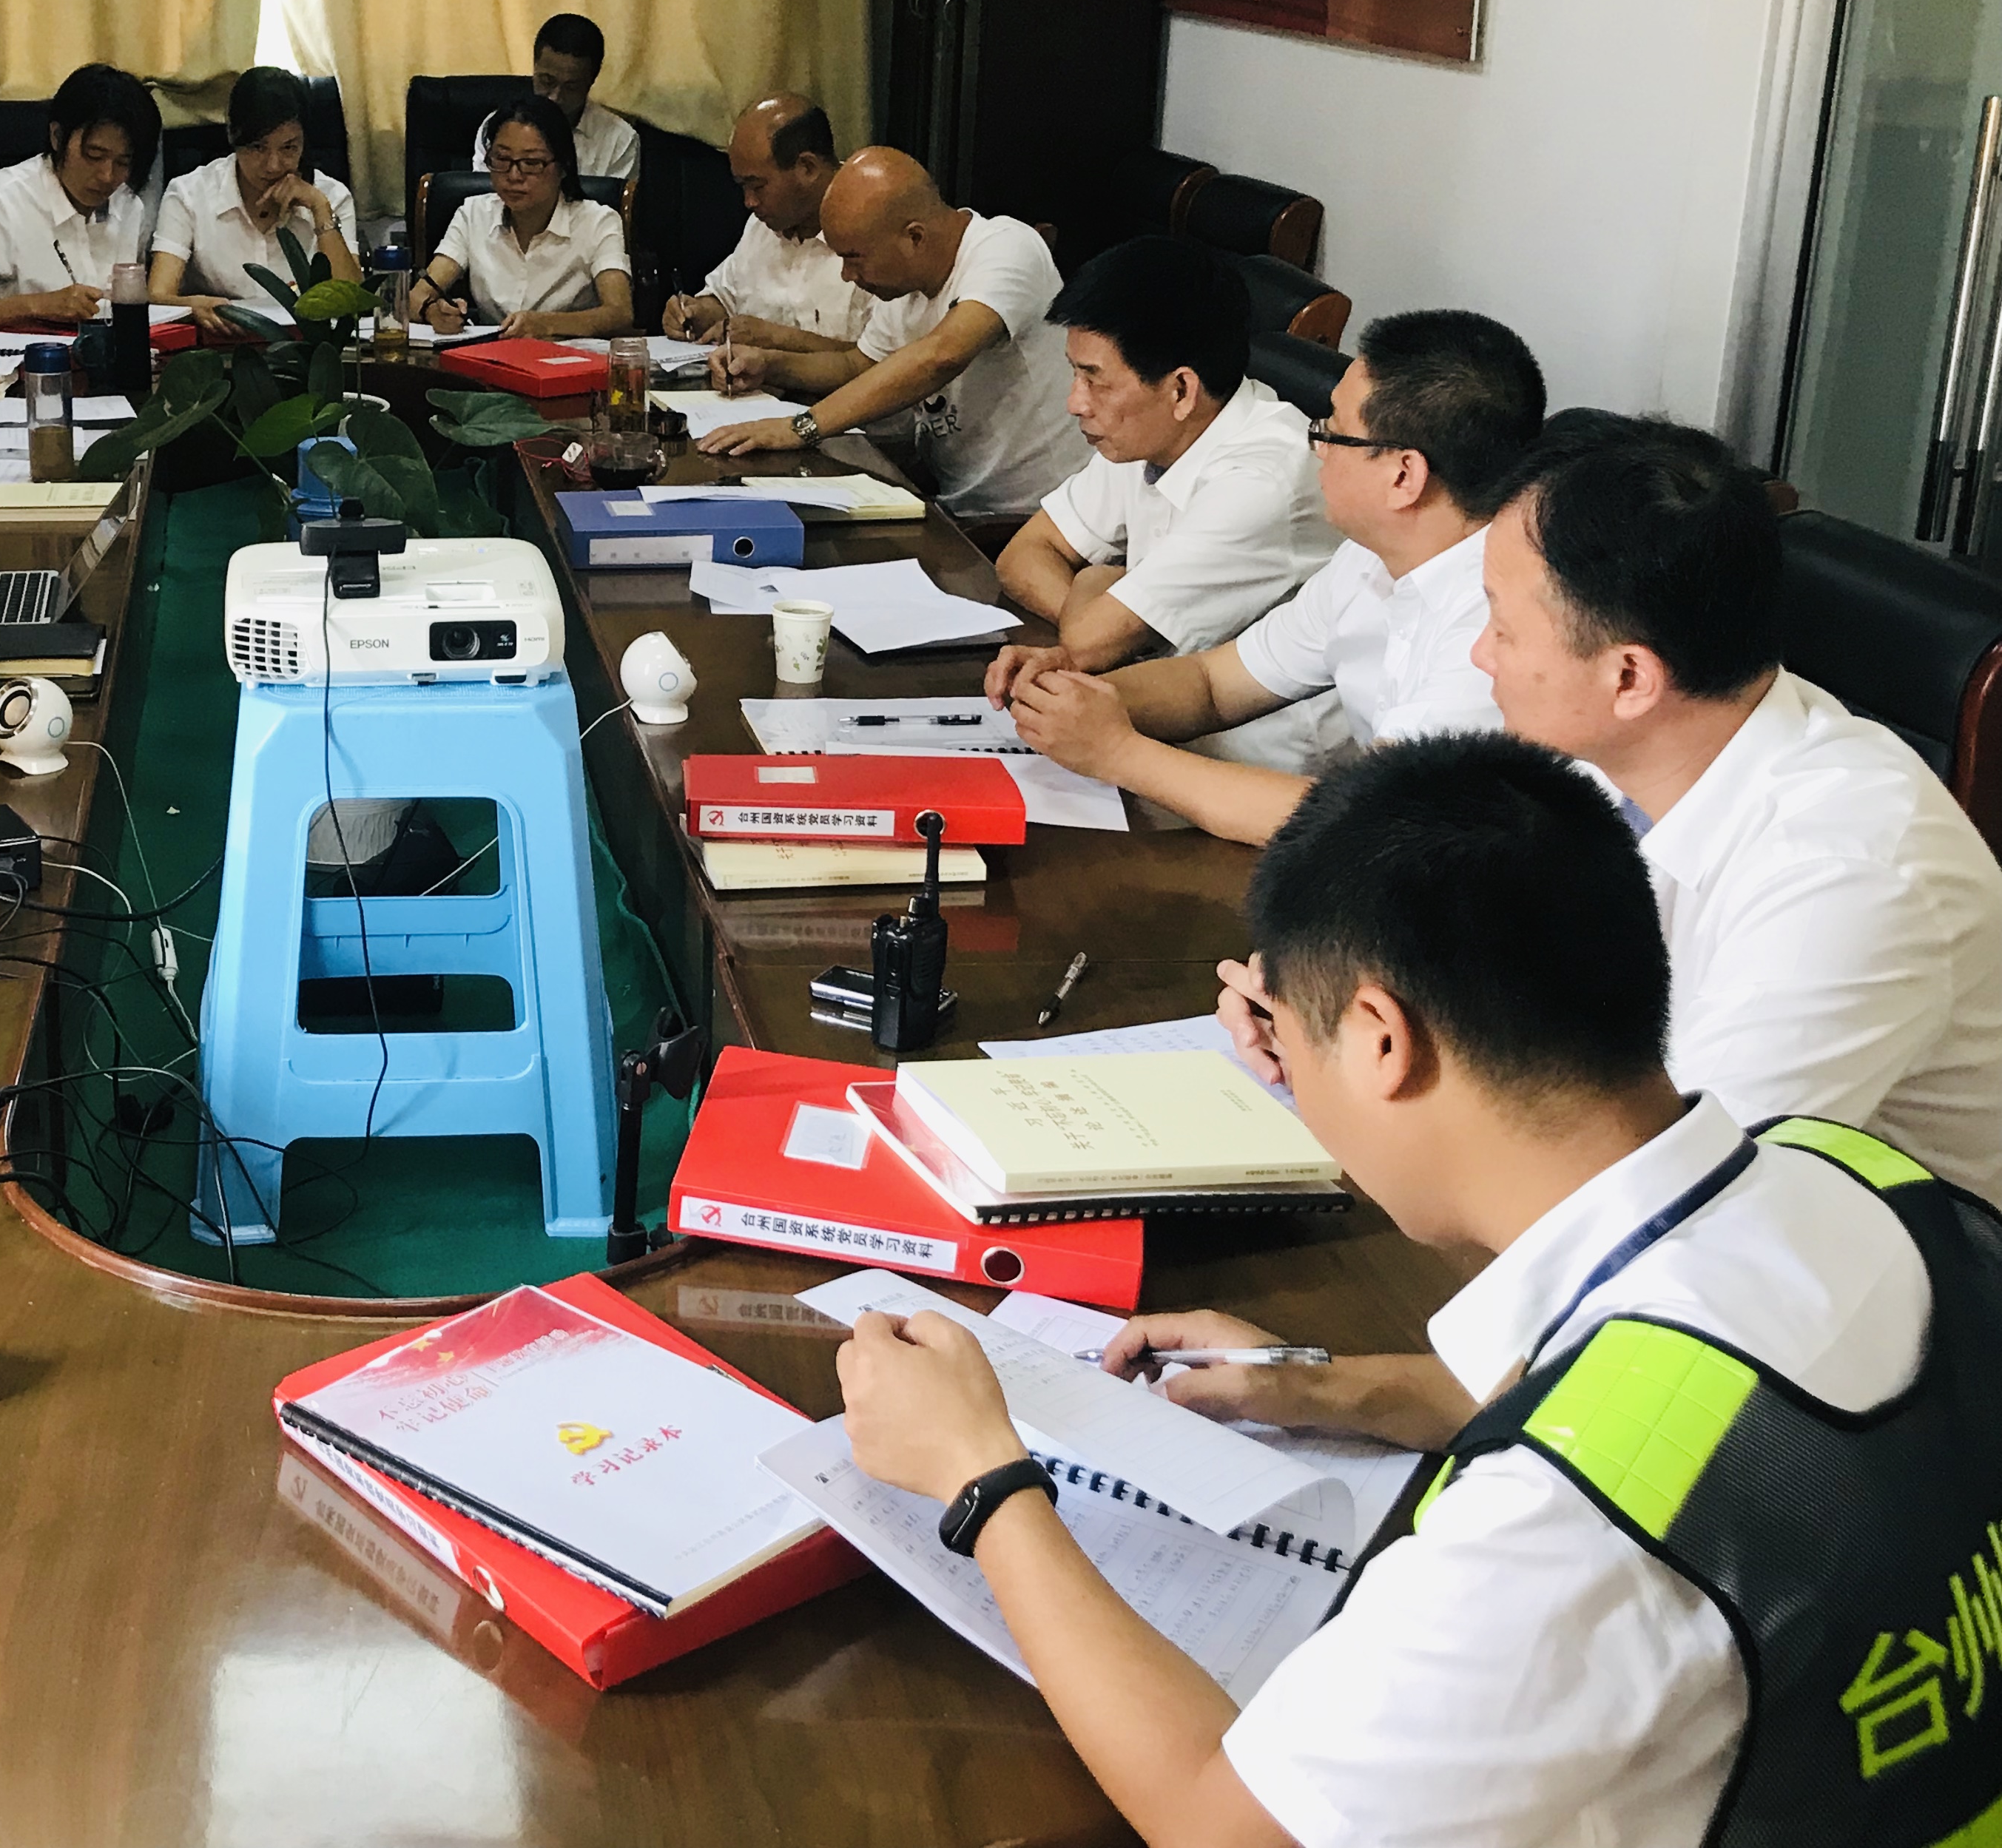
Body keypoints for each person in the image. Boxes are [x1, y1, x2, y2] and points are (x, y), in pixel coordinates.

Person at [833, 732, 1978, 1847]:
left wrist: (983, 1478)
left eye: (1283, 1043)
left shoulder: (1560, 1524)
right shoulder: (1859, 1179)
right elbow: (1697, 1410)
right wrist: (1332, 1390)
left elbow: (1226, 1825)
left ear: (1382, 1039)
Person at [1405, 413, 1994, 1200]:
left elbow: (1675, 1188)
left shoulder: (1849, 872)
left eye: (1502, 627)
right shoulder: (1652, 746)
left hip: (1871, 1259)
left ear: (1629, 678)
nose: (1480, 654)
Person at [1000, 309, 1544, 842]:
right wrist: (1072, 697)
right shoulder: (1367, 559)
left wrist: (1119, 752)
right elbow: (1214, 685)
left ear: (1404, 476)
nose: (1317, 449)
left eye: (1333, 432)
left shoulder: (1498, 624)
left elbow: (1371, 827)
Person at [986, 237, 1342, 772]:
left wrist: (1099, 594)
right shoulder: (1142, 431)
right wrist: (1100, 617)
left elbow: (1092, 638)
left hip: (1255, 768)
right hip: (1150, 721)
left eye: (1094, 380)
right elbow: (1025, 553)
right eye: (1074, 374)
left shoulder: (1262, 479)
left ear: (1180, 390)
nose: (1075, 403)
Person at [699, 148, 1081, 526]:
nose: (847, 275)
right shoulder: (905, 289)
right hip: (955, 506)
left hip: (1038, 515)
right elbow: (856, 365)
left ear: (914, 237)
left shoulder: (1006, 247)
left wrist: (802, 427)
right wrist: (769, 365)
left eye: (854, 258)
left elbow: (943, 354)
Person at [0, 62, 160, 336]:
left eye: (123, 162)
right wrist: (38, 305)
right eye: (94, 156)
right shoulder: (2, 200)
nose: (107, 176)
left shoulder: (129, 204)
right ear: (57, 137)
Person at [408, 94, 635, 340]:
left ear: (564, 166)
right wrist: (433, 312)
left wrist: (546, 324)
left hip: (567, 357)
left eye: (531, 163)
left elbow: (619, 314)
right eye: (502, 159)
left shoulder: (598, 221)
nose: (514, 176)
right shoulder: (473, 214)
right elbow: (416, 297)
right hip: (490, 356)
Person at [660, 95, 870, 351]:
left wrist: (777, 340)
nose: (749, 202)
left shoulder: (876, 229)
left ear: (807, 168)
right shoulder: (762, 225)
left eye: (758, 186)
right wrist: (696, 314)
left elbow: (887, 360)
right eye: (743, 187)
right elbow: (724, 299)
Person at [149, 64, 357, 317]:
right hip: (222, 335)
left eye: (289, 148)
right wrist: (194, 307)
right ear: (233, 136)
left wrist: (320, 210)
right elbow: (157, 298)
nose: (273, 165)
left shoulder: (332, 196)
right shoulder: (188, 194)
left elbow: (353, 304)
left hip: (307, 339)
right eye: (258, 147)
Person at [473, 12, 640, 184]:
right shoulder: (497, 128)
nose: (555, 97)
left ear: (592, 80)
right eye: (547, 81)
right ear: (535, 67)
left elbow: (611, 200)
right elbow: (482, 195)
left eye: (571, 87)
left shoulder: (620, 140)